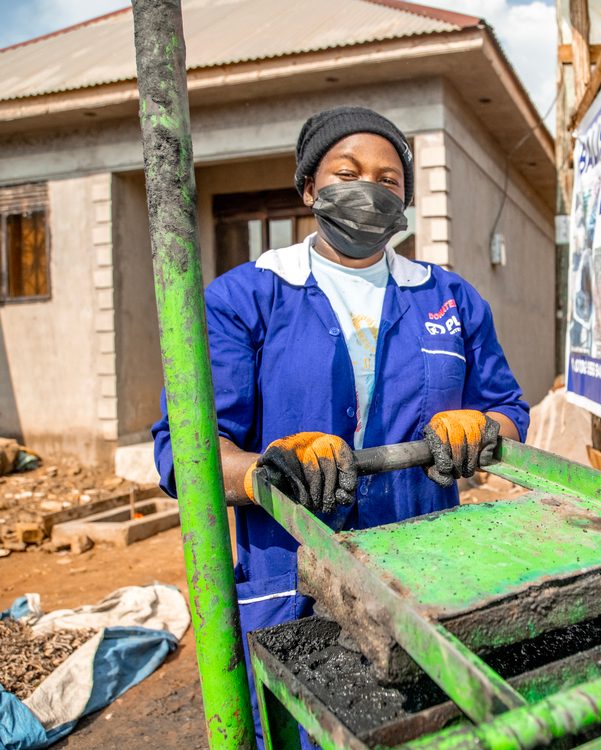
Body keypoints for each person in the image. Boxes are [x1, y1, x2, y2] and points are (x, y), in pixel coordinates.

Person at [151, 106, 529, 744]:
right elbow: (185, 454)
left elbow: (511, 412)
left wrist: (482, 423)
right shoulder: (245, 298)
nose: (369, 190)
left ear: (405, 198)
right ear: (308, 189)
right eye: (347, 173)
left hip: (427, 576)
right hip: (294, 582)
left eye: (388, 179)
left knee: (427, 730)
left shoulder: (450, 299)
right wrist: (269, 466)